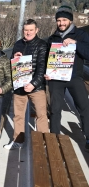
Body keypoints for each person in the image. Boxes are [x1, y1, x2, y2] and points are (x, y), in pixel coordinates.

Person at [44, 5, 89, 151]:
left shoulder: (81, 35)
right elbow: (46, 59)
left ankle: (88, 137)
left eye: (64, 20)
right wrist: (47, 72)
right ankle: (54, 139)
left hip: (75, 78)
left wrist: (75, 44)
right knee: (55, 110)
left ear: (70, 20)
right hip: (56, 78)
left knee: (84, 107)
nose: (61, 23)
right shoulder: (52, 38)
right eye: (58, 20)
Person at [3, 19, 49, 150]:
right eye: (26, 30)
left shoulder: (42, 45)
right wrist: (14, 58)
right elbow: (11, 65)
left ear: (36, 30)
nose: (28, 32)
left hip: (36, 87)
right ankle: (18, 141)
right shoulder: (17, 44)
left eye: (31, 30)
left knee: (41, 115)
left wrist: (34, 83)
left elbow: (42, 67)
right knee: (18, 116)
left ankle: (43, 143)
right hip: (19, 87)